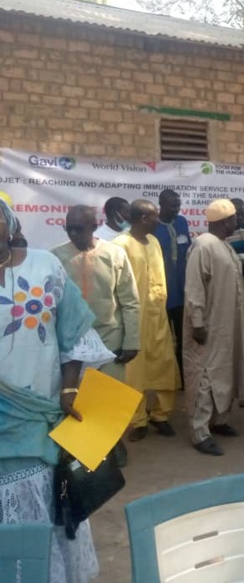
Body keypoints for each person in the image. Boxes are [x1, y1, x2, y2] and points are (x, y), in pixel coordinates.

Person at [0, 200, 101, 583]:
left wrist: (70, 388)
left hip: (42, 414)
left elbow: (73, 333)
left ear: (10, 224)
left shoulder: (45, 266)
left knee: (46, 508)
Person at [183, 199, 244, 456]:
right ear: (225, 221)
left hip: (228, 323)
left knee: (225, 371)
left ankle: (218, 421)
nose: (237, 222)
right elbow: (194, 288)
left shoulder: (224, 245)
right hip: (209, 324)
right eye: (234, 218)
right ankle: (200, 432)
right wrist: (198, 323)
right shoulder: (203, 245)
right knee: (205, 375)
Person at [114, 200, 181, 441]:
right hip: (133, 319)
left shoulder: (153, 241)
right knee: (135, 370)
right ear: (143, 218)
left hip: (157, 315)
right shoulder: (120, 245)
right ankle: (138, 420)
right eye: (154, 216)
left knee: (164, 363)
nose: (157, 220)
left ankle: (161, 415)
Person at [52, 205, 140, 383]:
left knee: (107, 395)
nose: (73, 234)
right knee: (74, 396)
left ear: (93, 227)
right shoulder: (55, 257)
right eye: (69, 228)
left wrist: (131, 342)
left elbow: (130, 301)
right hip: (71, 342)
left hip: (110, 340)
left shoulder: (114, 254)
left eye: (78, 229)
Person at [154, 189, 191, 385]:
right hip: (161, 293)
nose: (177, 209)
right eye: (173, 205)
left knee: (184, 337)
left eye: (178, 205)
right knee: (163, 340)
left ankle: (183, 378)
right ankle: (166, 379)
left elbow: (188, 252)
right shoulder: (152, 226)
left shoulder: (182, 222)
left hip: (182, 291)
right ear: (161, 205)